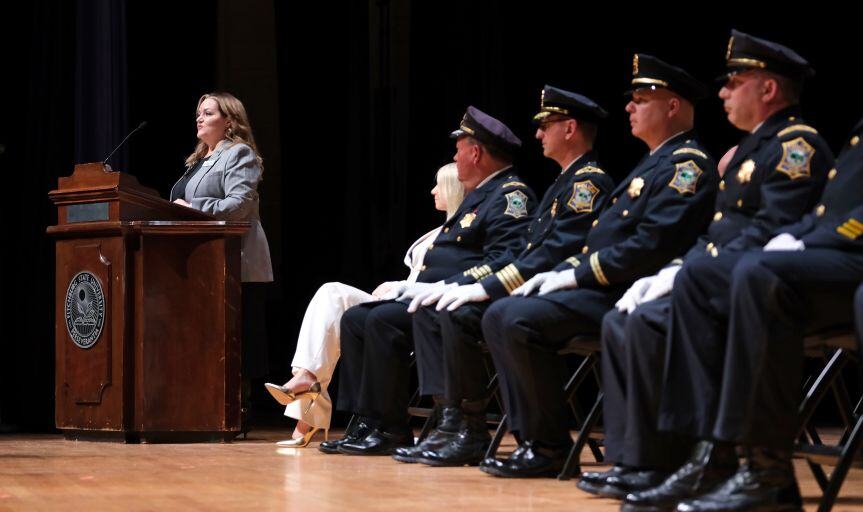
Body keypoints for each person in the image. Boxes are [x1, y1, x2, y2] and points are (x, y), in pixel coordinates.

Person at [586, 31, 835, 502]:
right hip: (722, 277)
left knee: (656, 318)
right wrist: (676, 269)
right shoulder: (748, 150)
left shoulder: (794, 144)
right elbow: (716, 234)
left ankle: (709, 458)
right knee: (631, 318)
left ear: (768, 90)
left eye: (735, 81)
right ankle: (657, 459)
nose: (722, 91)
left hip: (760, 283)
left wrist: (692, 269)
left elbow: (775, 232)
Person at [478, 54, 718, 478]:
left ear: (673, 106)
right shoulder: (650, 164)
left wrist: (574, 275)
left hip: (632, 288)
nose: (629, 106)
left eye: (641, 99)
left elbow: (651, 246)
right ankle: (538, 442)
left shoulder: (687, 164)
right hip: (605, 287)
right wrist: (562, 273)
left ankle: (562, 447)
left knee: (516, 319)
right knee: (503, 314)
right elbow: (595, 241)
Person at [398, 85, 615, 467]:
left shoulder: (588, 182)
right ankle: (456, 422)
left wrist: (486, 286)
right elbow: (533, 252)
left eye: (546, 125)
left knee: (471, 313)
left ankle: (490, 431)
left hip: (566, 292)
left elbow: (551, 253)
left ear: (569, 129)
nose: (538, 134)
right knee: (440, 308)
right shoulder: (563, 182)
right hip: (535, 289)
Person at [319, 106, 536, 456]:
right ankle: (368, 420)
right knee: (357, 318)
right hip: (440, 295)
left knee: (382, 320)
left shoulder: (511, 195)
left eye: (458, 149)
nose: (455, 157)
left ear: (475, 152)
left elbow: (504, 262)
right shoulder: (480, 194)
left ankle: (404, 425)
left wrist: (444, 286)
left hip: (473, 299)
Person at [263, 163, 465, 447]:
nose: (432, 190)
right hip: (401, 300)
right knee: (332, 293)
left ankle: (308, 409)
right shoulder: (436, 232)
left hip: (420, 307)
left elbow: (450, 280)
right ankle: (306, 379)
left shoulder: (464, 233)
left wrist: (400, 288)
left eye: (439, 185)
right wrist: (398, 286)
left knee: (357, 314)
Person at [170, 92, 274, 420]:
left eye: (208, 113)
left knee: (236, 337)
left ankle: (235, 409)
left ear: (229, 121)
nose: (199, 118)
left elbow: (239, 206)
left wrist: (192, 208)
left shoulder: (238, 154)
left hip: (235, 261)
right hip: (204, 261)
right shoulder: (198, 160)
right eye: (198, 113)